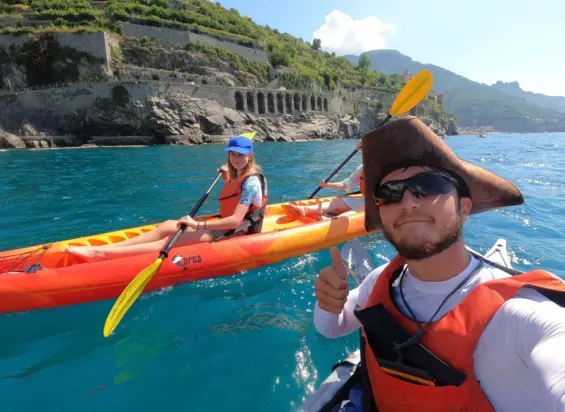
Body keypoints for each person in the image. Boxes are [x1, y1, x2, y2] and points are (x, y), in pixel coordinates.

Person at [313, 116, 565, 411]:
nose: (407, 203)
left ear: (464, 207)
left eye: (428, 186)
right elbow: (332, 327)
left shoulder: (520, 315)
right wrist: (329, 303)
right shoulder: (381, 280)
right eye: (389, 193)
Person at [65, 135, 268, 262]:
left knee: (167, 240)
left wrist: (197, 226)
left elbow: (234, 220)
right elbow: (234, 189)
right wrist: (227, 175)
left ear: (250, 156)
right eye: (232, 154)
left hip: (237, 231)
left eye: (241, 155)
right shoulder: (239, 173)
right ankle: (103, 248)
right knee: (167, 225)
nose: (236, 158)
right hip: (222, 225)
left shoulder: (251, 182)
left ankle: (99, 255)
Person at [288, 142, 365, 219]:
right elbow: (347, 184)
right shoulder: (362, 168)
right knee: (338, 201)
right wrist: (328, 185)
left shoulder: (377, 166)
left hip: (375, 205)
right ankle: (305, 210)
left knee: (361, 206)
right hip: (365, 200)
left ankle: (328, 220)